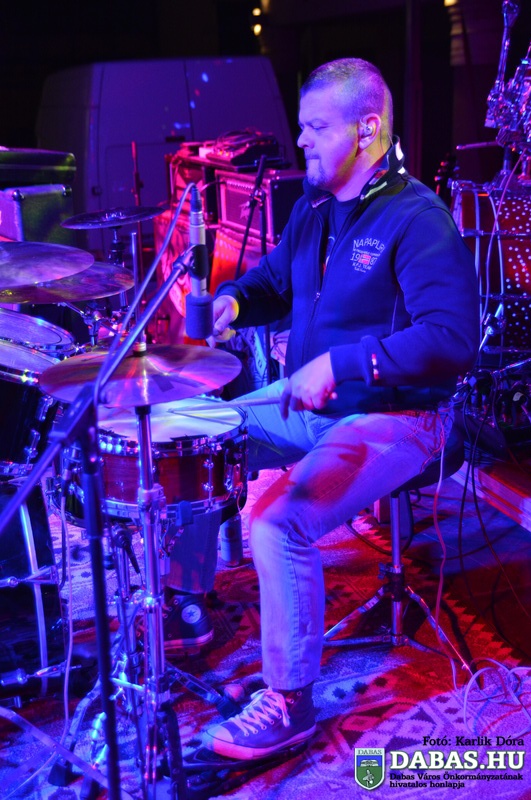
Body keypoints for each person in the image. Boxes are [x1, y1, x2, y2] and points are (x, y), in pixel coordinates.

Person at [198, 57, 480, 759]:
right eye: (302, 127)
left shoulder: (417, 218)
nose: (301, 141)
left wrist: (344, 363)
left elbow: (452, 339)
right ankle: (184, 611)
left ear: (367, 128)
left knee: (277, 520)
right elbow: (270, 283)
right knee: (193, 437)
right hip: (309, 406)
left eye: (316, 127)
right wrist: (233, 302)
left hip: (398, 418)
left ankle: (289, 702)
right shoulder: (314, 210)